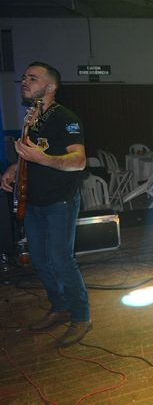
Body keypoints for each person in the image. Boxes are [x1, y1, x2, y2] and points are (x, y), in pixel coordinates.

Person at [0, 62, 91, 347]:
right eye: (24, 77)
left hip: (59, 201)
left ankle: (81, 316)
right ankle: (60, 306)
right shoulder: (31, 117)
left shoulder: (65, 118)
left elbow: (79, 161)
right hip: (34, 201)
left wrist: (43, 158)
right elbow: (30, 155)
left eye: (33, 78)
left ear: (50, 87)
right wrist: (14, 168)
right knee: (39, 259)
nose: (25, 82)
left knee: (61, 259)